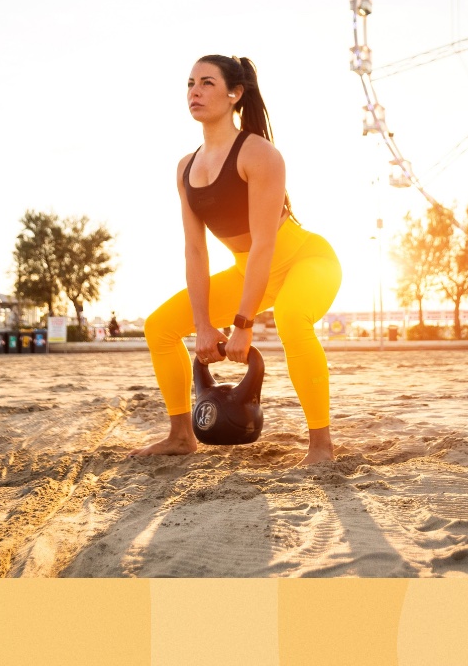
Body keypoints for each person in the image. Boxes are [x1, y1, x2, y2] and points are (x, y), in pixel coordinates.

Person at [130, 55, 342, 466]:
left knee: (291, 318)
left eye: (207, 82)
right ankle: (180, 435)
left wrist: (242, 325)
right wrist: (205, 325)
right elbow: (195, 250)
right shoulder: (185, 168)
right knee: (160, 328)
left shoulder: (259, 154)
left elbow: (264, 243)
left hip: (306, 260)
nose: (195, 91)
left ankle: (321, 445)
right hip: (248, 271)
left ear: (235, 94)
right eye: (190, 83)